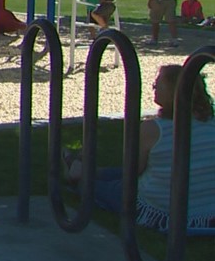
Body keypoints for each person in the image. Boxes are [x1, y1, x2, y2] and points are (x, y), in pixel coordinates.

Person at [66, 64, 215, 231]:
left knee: (97, 187)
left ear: (174, 90)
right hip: (206, 211)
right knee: (116, 174)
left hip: (159, 209)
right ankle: (83, 167)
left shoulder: (154, 129)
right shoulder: (211, 124)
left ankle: (78, 172)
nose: (154, 87)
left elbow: (133, 171)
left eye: (159, 83)